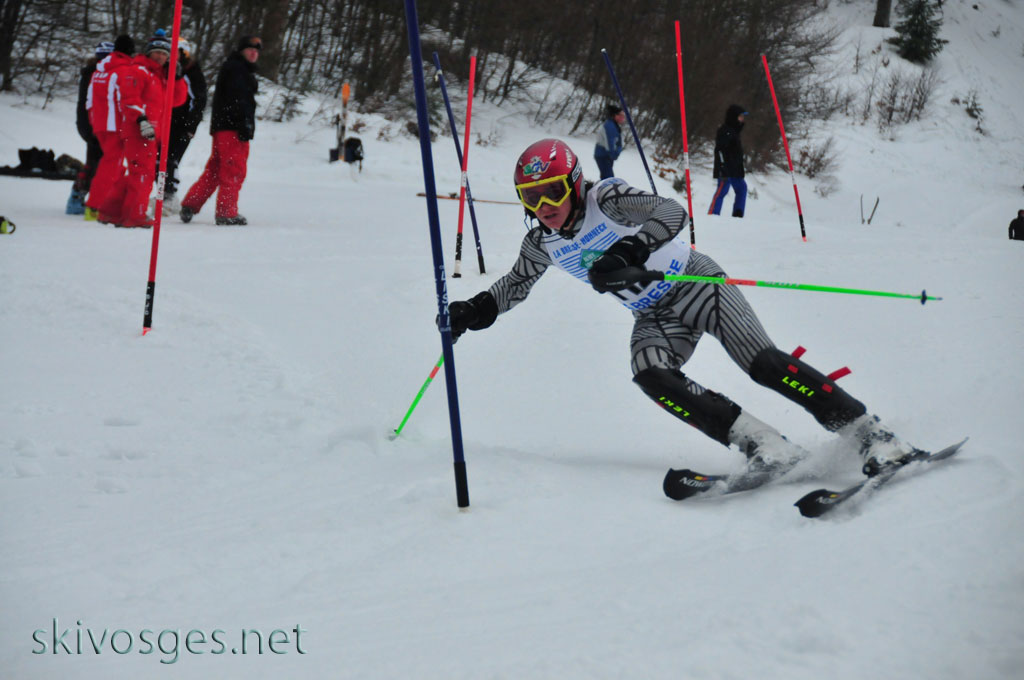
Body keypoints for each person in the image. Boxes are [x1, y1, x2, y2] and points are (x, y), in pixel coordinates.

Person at [441, 138, 925, 479]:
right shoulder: (541, 243)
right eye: (531, 196)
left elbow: (671, 211)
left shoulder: (607, 198)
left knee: (763, 364)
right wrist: (475, 309)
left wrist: (630, 250)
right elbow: (515, 284)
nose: (544, 205)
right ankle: (765, 445)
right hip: (653, 316)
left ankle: (872, 434)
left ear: (574, 183)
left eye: (553, 191)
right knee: (649, 373)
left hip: (697, 285)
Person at [101, 30, 186, 228]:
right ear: (149, 53)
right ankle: (135, 215)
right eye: (157, 52)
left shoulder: (159, 77)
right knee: (143, 174)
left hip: (152, 133)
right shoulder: (139, 71)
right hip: (139, 131)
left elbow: (176, 100)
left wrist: (177, 78)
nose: (160, 57)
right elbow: (129, 98)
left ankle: (111, 211)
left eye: (164, 54)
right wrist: (141, 120)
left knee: (137, 173)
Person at [180, 35, 261, 226]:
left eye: (256, 51)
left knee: (216, 169)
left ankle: (191, 203)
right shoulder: (238, 69)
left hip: (223, 127)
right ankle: (226, 212)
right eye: (250, 49)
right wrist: (243, 124)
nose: (254, 53)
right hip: (233, 128)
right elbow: (238, 99)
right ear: (241, 51)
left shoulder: (235, 68)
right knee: (234, 169)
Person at [85, 34, 135, 223]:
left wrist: (94, 120)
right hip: (116, 125)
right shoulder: (123, 70)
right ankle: (95, 207)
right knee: (111, 166)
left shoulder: (99, 70)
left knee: (115, 166)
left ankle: (110, 204)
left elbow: (89, 100)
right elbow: (125, 100)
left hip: (100, 125)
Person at [160, 38, 207, 215]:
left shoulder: (191, 73)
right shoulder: (165, 70)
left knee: (170, 159)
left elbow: (199, 101)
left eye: (176, 52)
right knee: (159, 160)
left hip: (182, 125)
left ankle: (169, 195)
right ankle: (163, 193)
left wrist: (190, 125)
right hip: (164, 122)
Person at [68, 40, 113, 215]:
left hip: (92, 123)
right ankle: (78, 198)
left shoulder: (94, 72)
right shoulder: (95, 73)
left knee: (95, 162)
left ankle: (80, 198)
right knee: (96, 163)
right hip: (92, 124)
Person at [708, 104, 748, 218]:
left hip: (735, 170)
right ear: (734, 117)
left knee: (742, 188)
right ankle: (713, 214)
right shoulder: (725, 130)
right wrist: (722, 167)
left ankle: (738, 214)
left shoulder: (735, 132)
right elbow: (720, 150)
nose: (742, 119)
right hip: (725, 168)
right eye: (740, 116)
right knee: (722, 190)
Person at [593, 104, 625, 180]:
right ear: (615, 115)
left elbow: (618, 142)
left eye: (623, 116)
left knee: (606, 177)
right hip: (603, 155)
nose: (623, 118)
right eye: (621, 115)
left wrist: (618, 150)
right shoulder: (610, 126)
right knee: (609, 179)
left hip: (606, 156)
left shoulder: (615, 125)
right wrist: (614, 154)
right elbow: (610, 143)